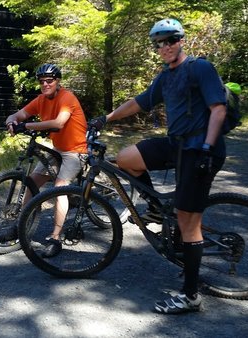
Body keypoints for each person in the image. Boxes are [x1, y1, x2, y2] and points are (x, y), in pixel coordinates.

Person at [88, 18, 227, 314]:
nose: (164, 47)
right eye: (159, 43)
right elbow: (138, 103)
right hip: (176, 144)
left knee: (189, 223)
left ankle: (190, 296)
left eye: (170, 40)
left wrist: (207, 147)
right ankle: (153, 206)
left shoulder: (199, 68)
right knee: (126, 158)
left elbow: (218, 109)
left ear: (181, 41)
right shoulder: (165, 77)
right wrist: (106, 118)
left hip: (200, 149)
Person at [3, 63, 88, 258]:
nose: (45, 84)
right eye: (42, 82)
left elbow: (59, 122)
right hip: (58, 150)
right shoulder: (41, 99)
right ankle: (21, 226)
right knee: (32, 182)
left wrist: (26, 125)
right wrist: (11, 121)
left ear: (57, 82)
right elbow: (19, 114)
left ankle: (55, 238)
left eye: (49, 81)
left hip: (75, 151)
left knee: (59, 186)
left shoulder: (67, 97)